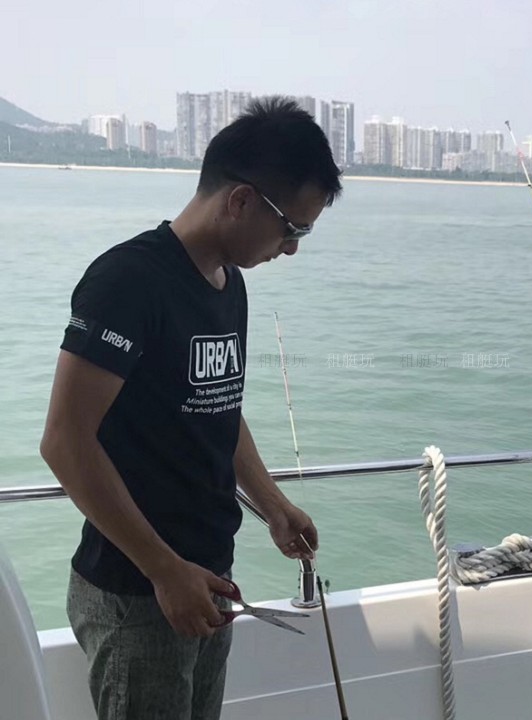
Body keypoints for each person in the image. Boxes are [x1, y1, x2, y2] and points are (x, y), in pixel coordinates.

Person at [39, 96, 343, 720]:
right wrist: (163, 570)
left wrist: (273, 505)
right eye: (292, 228)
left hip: (206, 580)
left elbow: (217, 407)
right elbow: (65, 441)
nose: (291, 249)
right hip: (136, 592)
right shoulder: (128, 281)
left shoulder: (231, 286)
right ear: (240, 201)